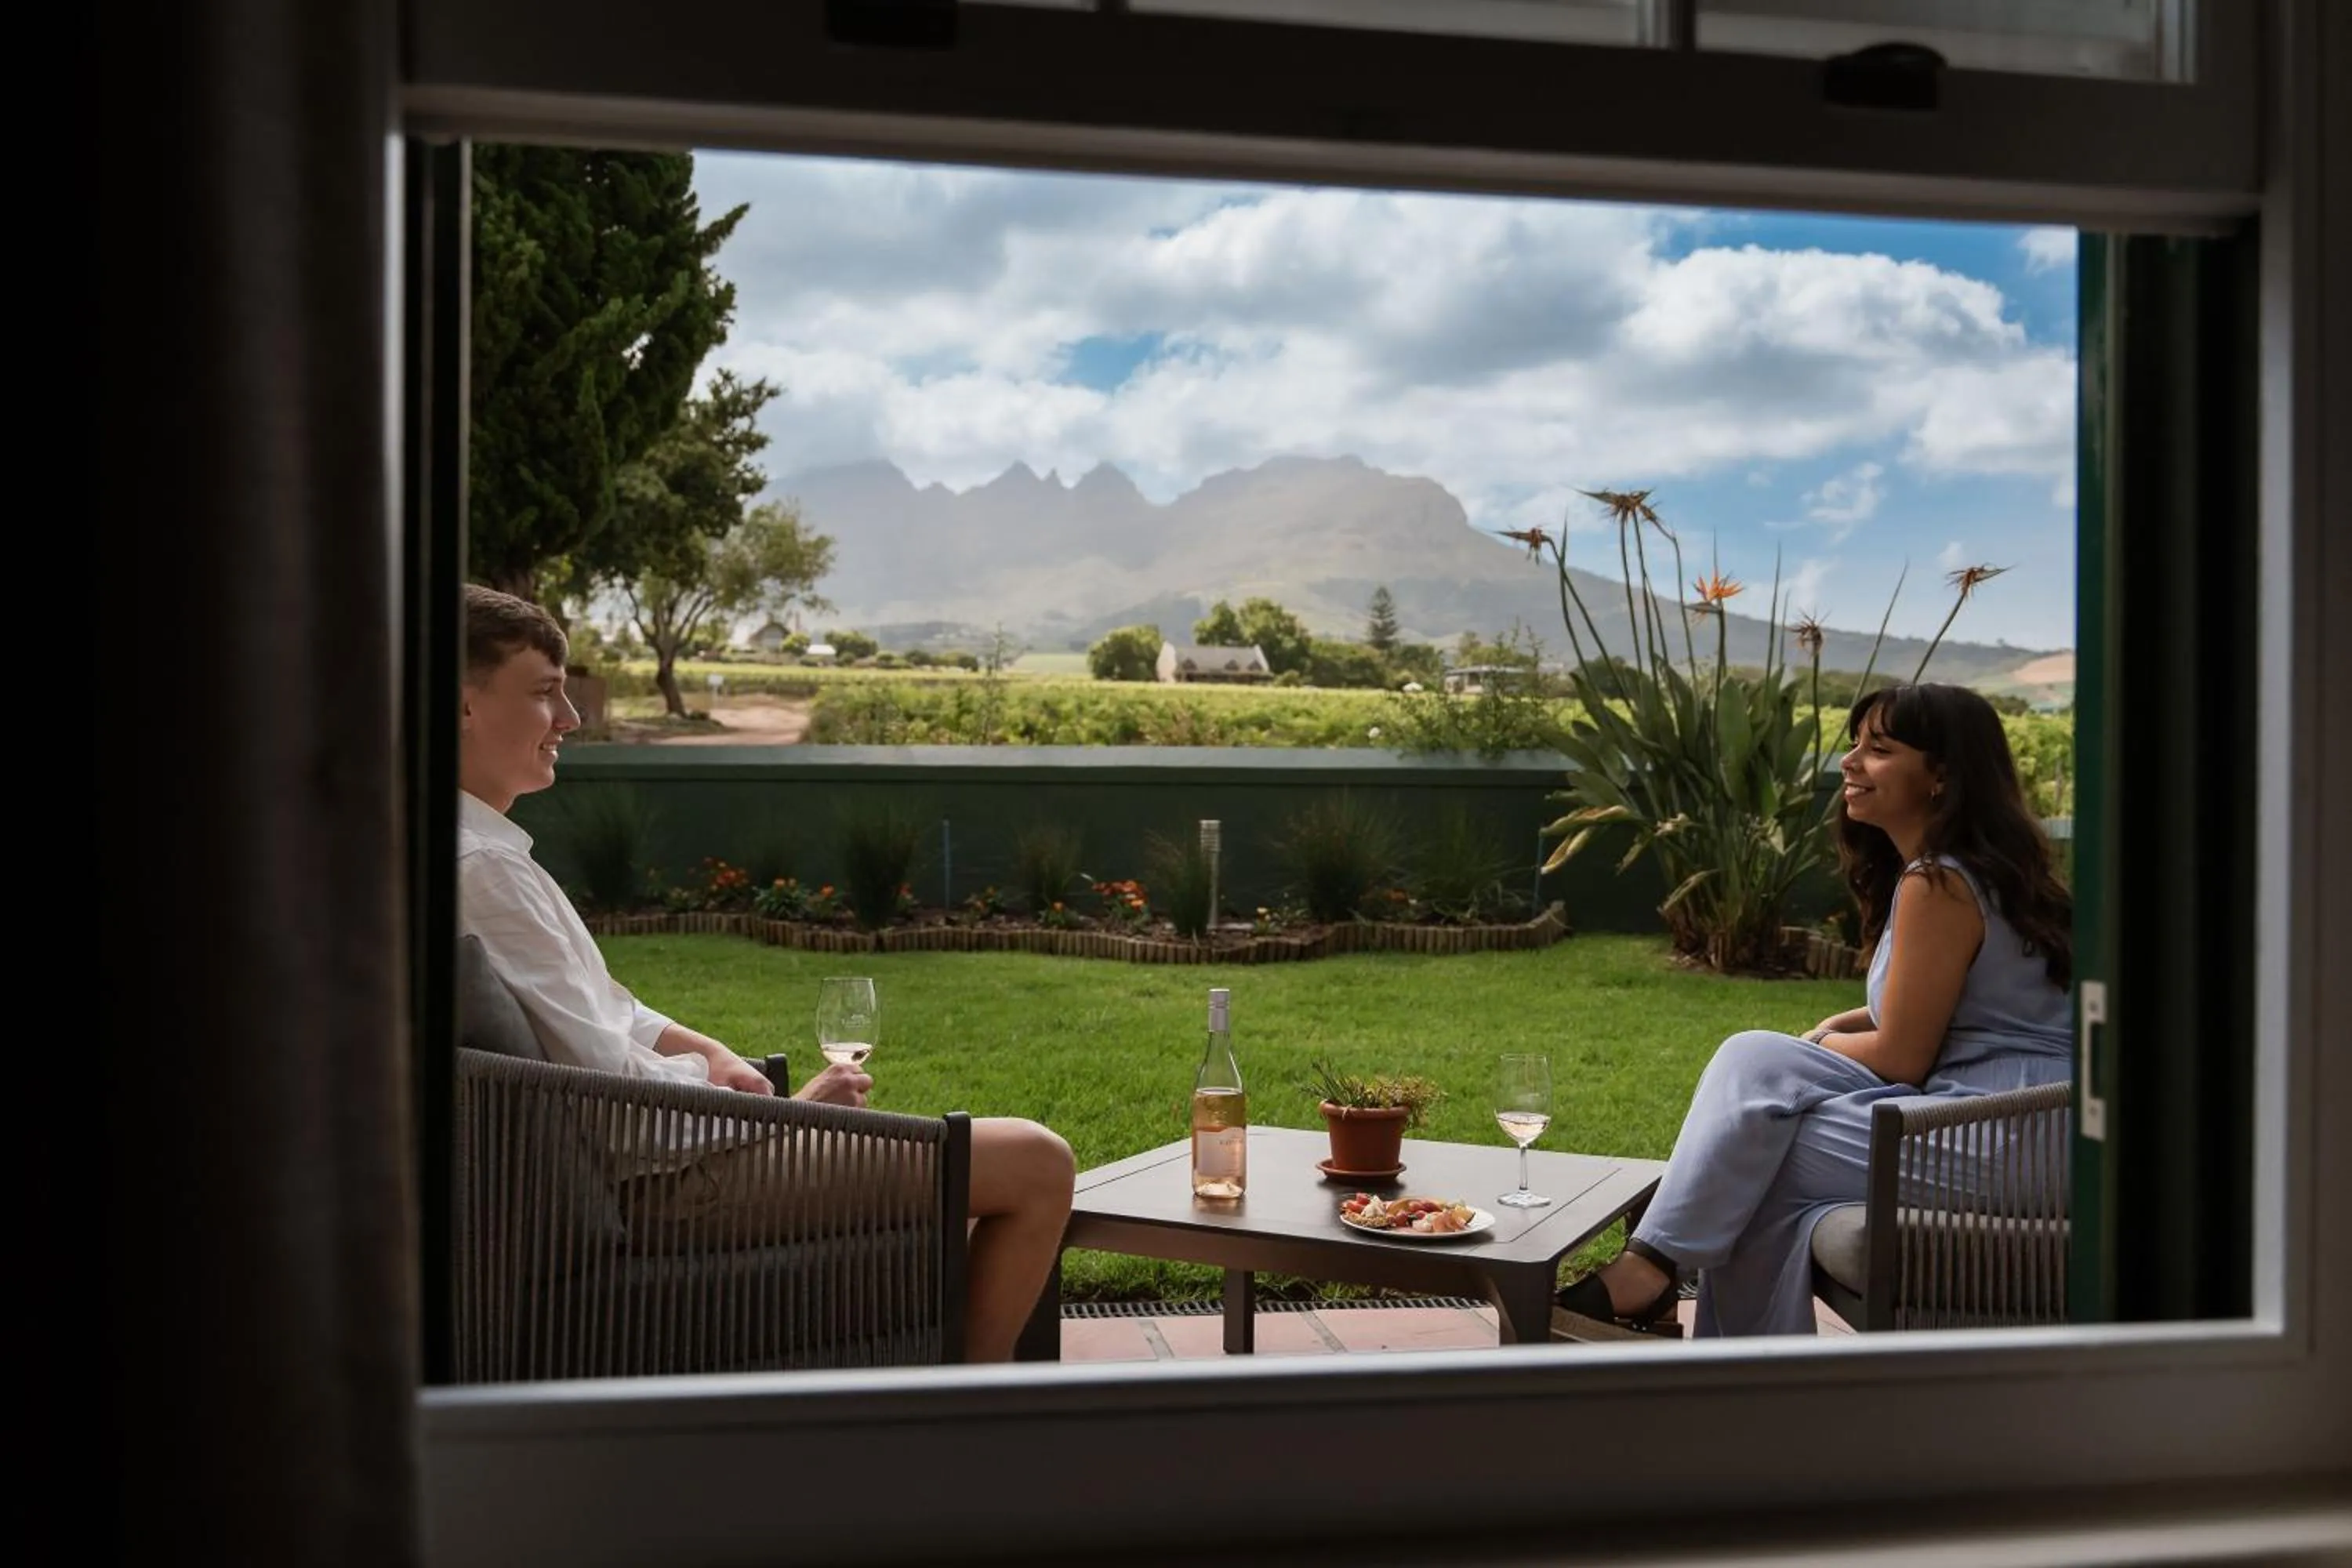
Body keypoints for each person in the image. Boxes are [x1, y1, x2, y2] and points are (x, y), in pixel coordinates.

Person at [456, 585, 1074, 1363]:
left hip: (669, 1156)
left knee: (985, 1178)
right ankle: (973, 1407)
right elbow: (608, 1090)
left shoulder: (483, 853)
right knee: (1037, 1163)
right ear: (463, 706)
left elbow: (607, 1012)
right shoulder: (482, 867)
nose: (571, 720)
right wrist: (784, 1117)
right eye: (546, 693)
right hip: (664, 1181)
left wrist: (707, 1047)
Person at [1557, 682, 2074, 1338]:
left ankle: (1656, 1280)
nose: (1849, 763)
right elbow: (1956, 1011)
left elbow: (1902, 1055)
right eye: (1855, 744)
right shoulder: (1973, 873)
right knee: (1754, 1086)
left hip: (2005, 1131)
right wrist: (1838, 1027)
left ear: (1941, 775)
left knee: (1756, 1142)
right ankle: (1667, 1292)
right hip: (2022, 1121)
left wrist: (1818, 1050)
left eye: (1878, 749)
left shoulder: (1938, 884)